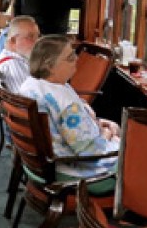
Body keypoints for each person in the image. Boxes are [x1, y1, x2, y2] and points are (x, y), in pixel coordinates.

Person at [18, 34, 119, 189]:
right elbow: (88, 153)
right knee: (141, 159)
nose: (77, 59)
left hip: (39, 165)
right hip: (71, 171)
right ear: (50, 65)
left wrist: (98, 124)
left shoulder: (30, 86)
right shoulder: (65, 102)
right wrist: (108, 134)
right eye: (70, 57)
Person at [0, 14, 39, 95]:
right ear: (13, 41)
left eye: (38, 36)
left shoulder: (17, 58)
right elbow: (27, 98)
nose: (37, 41)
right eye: (30, 37)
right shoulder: (13, 64)